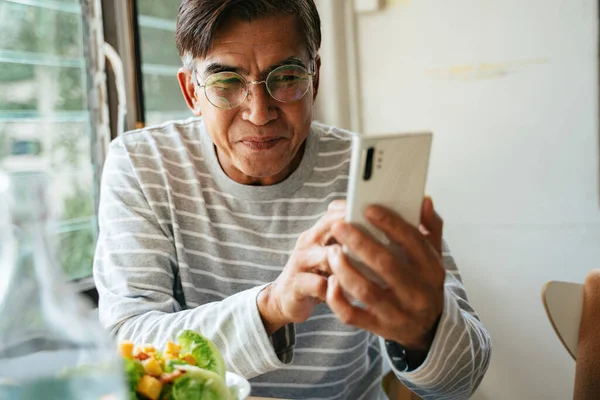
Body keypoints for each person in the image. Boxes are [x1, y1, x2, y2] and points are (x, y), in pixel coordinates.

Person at [93, 0, 491, 398]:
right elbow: (128, 344)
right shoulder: (144, 166)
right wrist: (272, 307)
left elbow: (460, 381)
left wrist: (425, 330)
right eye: (226, 82)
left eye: (285, 77)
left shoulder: (362, 171)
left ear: (314, 80)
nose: (260, 112)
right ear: (191, 92)